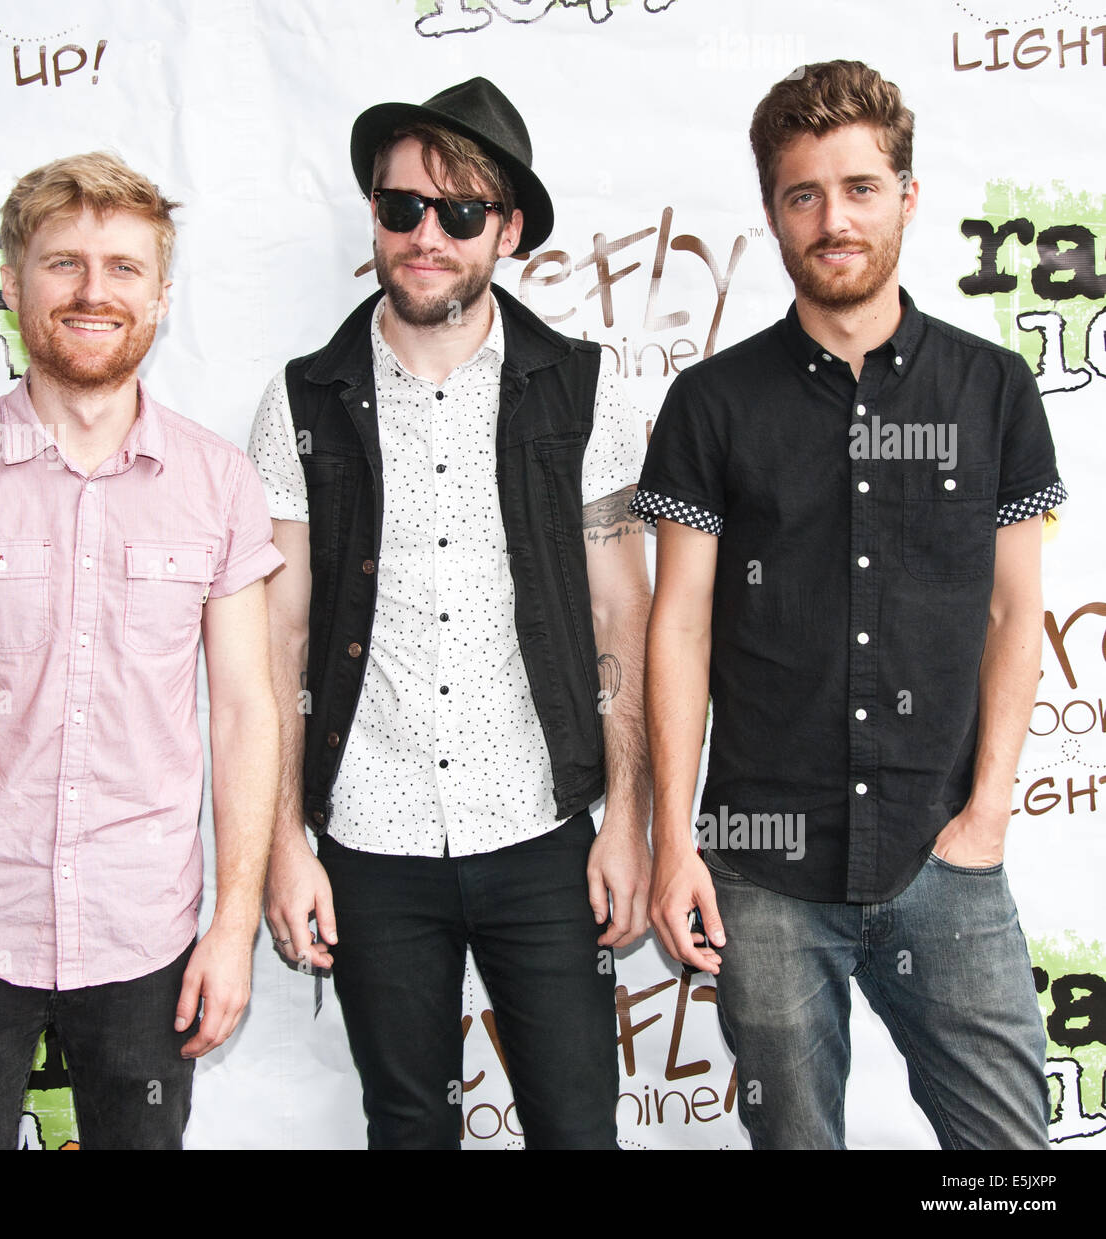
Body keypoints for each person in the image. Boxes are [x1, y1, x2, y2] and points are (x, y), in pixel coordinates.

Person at [638, 59, 1062, 1150]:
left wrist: (988, 815)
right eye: (803, 194)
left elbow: (1019, 616)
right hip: (761, 867)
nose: (834, 219)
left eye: (861, 187)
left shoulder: (994, 391)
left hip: (944, 853)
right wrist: (672, 842)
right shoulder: (711, 403)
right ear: (774, 212)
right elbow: (677, 625)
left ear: (907, 198)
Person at [0, 152, 282, 1150]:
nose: (95, 292)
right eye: (64, 263)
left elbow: (249, 713)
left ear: (162, 296)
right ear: (11, 280)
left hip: (148, 941)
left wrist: (230, 927)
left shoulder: (217, 484)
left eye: (125, 268)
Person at [249, 78, 652, 1149]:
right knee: (407, 1126)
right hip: (370, 839)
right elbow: (277, 643)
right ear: (375, 218)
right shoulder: (301, 399)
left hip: (541, 834)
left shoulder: (582, 391)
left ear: (507, 230)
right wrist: (285, 845)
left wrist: (633, 826)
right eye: (400, 208)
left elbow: (621, 617)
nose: (426, 235)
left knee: (577, 1127)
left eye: (460, 212)